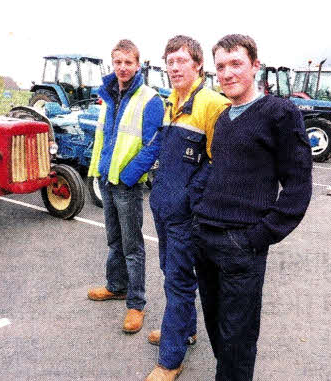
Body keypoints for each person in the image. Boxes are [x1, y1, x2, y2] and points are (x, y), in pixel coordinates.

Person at [192, 34, 312, 380]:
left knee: (237, 341)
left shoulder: (279, 112)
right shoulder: (224, 119)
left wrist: (259, 236)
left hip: (240, 245)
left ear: (255, 66)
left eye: (236, 64)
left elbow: (298, 186)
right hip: (206, 239)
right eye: (221, 67)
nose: (227, 73)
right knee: (217, 332)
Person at [145, 35, 230, 381]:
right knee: (170, 271)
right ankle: (185, 331)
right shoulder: (171, 102)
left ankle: (171, 360)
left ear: (197, 65)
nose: (174, 67)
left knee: (178, 282)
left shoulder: (211, 104)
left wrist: (189, 199)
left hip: (185, 214)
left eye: (181, 60)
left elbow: (220, 161)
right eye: (170, 61)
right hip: (164, 208)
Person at [87, 39, 164, 334]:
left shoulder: (149, 99)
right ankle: (116, 286)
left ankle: (136, 303)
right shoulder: (109, 95)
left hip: (126, 184)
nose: (122, 67)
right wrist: (98, 172)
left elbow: (153, 146)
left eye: (128, 62)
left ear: (138, 64)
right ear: (112, 63)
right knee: (114, 240)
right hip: (106, 180)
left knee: (132, 246)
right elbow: (105, 139)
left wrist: (130, 176)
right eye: (118, 62)